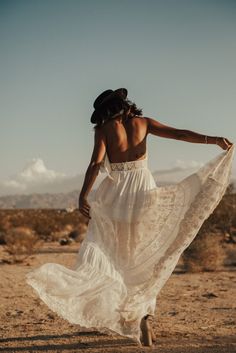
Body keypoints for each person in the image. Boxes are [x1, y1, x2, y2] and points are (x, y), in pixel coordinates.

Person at [26, 88, 234, 347]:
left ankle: (130, 317)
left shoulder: (103, 130)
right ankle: (143, 314)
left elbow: (94, 164)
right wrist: (213, 140)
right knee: (140, 256)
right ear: (125, 105)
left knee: (116, 255)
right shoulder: (143, 123)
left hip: (115, 196)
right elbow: (179, 134)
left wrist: (83, 197)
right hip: (143, 193)